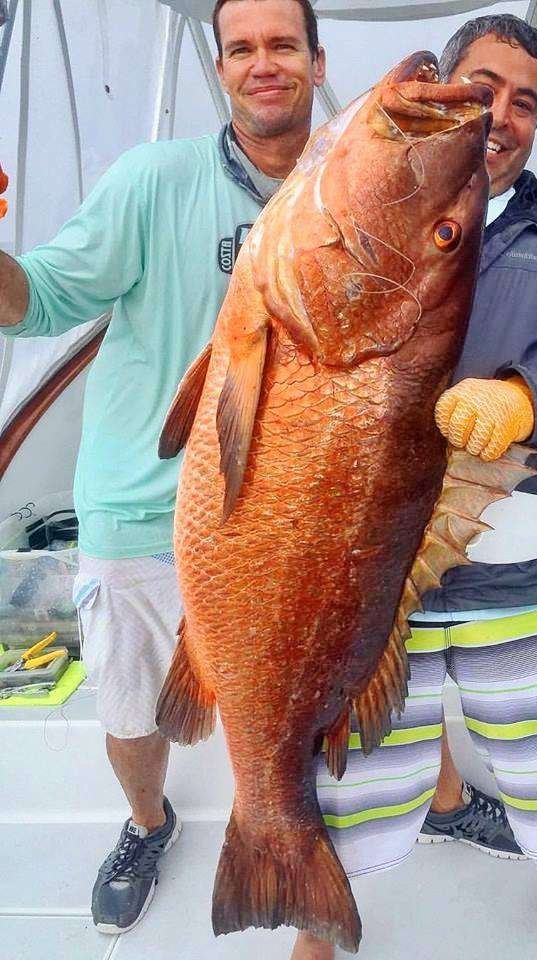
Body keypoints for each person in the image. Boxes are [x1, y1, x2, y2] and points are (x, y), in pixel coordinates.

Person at [303, 14, 537, 960]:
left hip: (522, 577)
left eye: (526, 102)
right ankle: (319, 924)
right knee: (333, 792)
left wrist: (528, 400)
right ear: (444, 92)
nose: (501, 114)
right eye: (484, 87)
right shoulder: (357, 213)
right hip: (368, 581)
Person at [0, 0, 326, 939]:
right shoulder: (153, 180)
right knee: (133, 706)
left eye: (283, 44)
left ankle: (293, 829)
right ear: (220, 68)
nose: (263, 63)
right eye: (242, 48)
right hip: (140, 512)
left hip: (283, 519)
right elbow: (37, 301)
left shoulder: (344, 190)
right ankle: (148, 823)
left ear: (316, 60)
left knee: (292, 696)